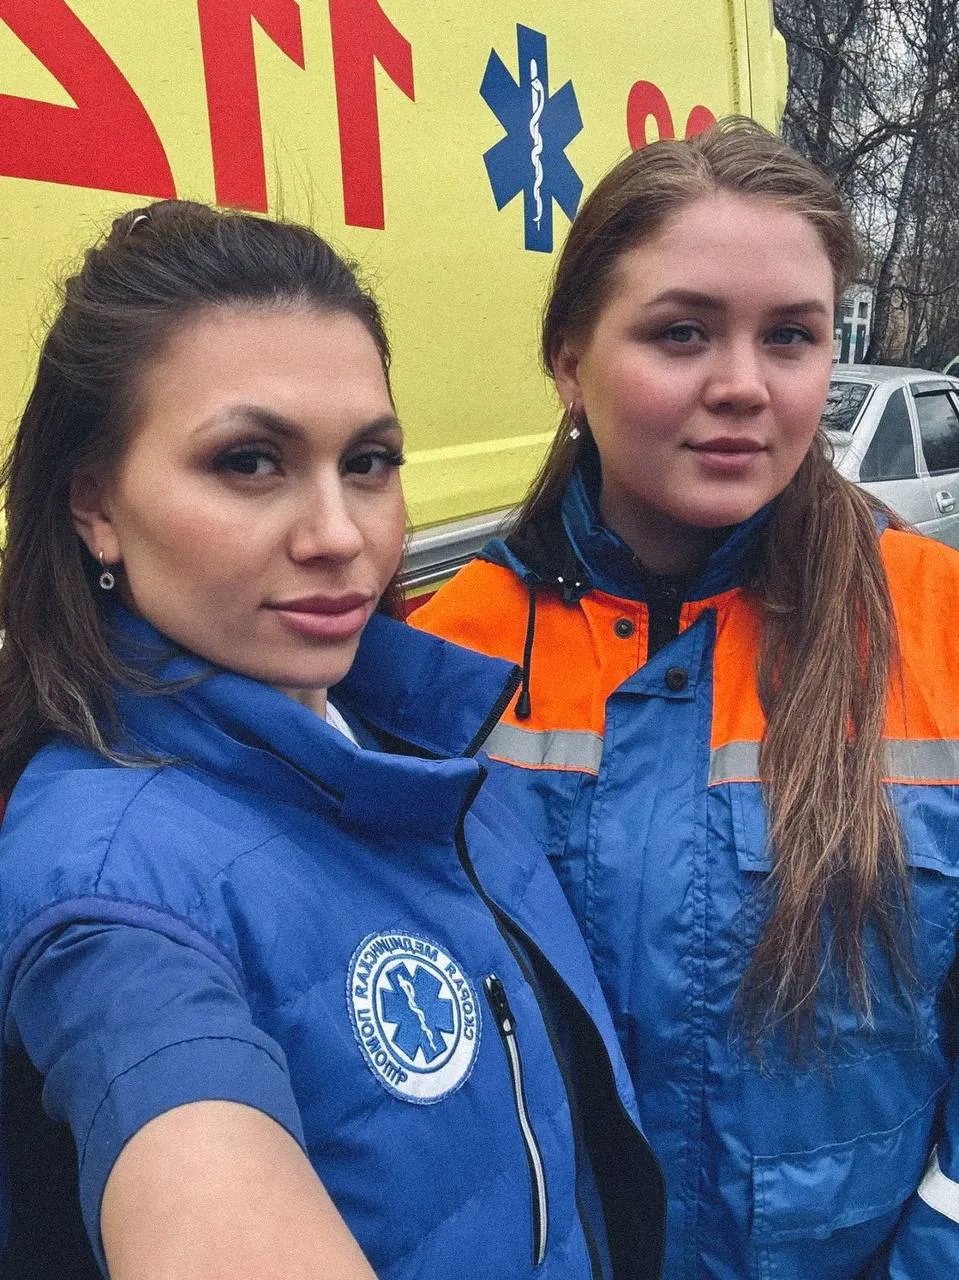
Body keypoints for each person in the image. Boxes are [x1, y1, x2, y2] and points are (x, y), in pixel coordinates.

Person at [0, 200, 666, 1280]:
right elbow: (166, 1085)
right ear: (96, 506)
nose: (339, 534)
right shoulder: (107, 881)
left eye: (368, 461)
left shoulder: (401, 733)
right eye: (249, 461)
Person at [412, 118, 959, 1278]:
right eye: (680, 333)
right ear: (568, 360)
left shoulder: (935, 620)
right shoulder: (443, 652)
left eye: (790, 336)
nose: (742, 386)